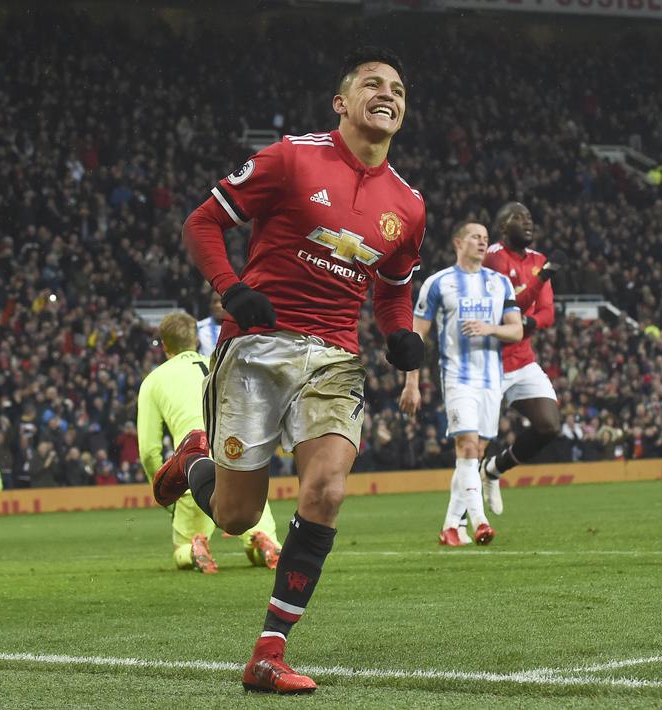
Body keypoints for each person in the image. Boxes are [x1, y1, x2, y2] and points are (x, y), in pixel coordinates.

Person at [154, 47, 426, 694]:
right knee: (234, 517)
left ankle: (269, 652)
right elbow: (202, 222)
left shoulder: (408, 206)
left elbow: (392, 289)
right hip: (256, 346)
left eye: (397, 89)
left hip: (334, 358)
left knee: (326, 490)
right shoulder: (290, 158)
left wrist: (398, 333)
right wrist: (232, 288)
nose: (387, 94)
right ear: (341, 102)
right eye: (372, 84)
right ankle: (195, 460)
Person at [399, 222, 522, 546]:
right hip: (457, 378)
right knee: (467, 446)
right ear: (458, 242)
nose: (482, 242)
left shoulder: (500, 283)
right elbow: (417, 335)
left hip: (491, 380)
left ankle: (451, 526)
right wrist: (412, 382)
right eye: (475, 237)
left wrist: (489, 328)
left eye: (485, 238)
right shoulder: (439, 283)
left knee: (476, 452)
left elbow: (517, 330)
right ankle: (480, 522)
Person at [138, 311, 282, 574]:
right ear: (195, 340)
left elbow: (149, 451)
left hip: (193, 470)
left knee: (182, 548)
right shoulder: (219, 366)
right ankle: (262, 542)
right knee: (263, 536)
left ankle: (194, 548)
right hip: (236, 463)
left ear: (165, 345)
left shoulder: (153, 381)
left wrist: (166, 493)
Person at [478, 201, 564, 514]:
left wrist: (522, 324)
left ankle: (493, 470)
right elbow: (508, 305)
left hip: (522, 359)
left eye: (529, 217)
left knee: (549, 426)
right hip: (489, 360)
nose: (527, 221)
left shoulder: (538, 259)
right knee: (478, 440)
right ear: (503, 226)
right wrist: (537, 285)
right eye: (518, 217)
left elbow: (547, 314)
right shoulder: (493, 257)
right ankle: (459, 516)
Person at [195, 288, 224, 358]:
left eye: (221, 301)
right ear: (210, 305)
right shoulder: (199, 327)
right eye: (214, 302)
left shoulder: (237, 329)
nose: (218, 305)